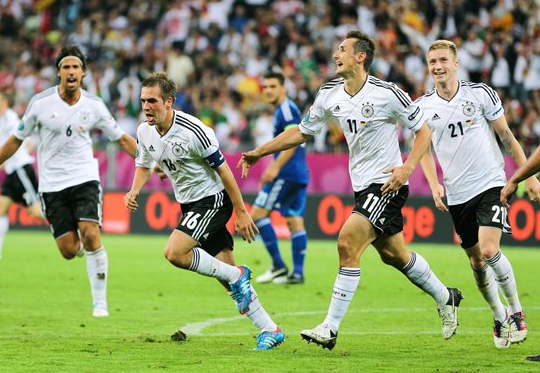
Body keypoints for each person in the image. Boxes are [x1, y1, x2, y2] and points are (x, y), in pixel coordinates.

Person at [239, 30, 461, 350]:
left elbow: (423, 132)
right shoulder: (330, 94)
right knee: (394, 255)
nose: (335, 55)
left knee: (347, 242)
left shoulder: (388, 94)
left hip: (387, 183)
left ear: (360, 57)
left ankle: (329, 328)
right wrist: (259, 151)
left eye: (342, 50)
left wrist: (407, 168)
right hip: (362, 186)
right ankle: (446, 295)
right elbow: (302, 132)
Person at [124, 71, 285, 351]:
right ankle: (270, 329)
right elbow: (144, 163)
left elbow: (224, 171)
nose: (146, 107)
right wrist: (135, 189)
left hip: (212, 200)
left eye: (152, 101)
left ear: (169, 102)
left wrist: (242, 211)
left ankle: (238, 274)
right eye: (143, 101)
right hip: (188, 203)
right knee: (228, 280)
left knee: (175, 253)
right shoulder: (144, 130)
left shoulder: (194, 130)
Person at [0, 45, 138, 318]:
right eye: (66, 67)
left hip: (85, 178)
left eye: (76, 67)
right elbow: (16, 139)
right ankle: (82, 250)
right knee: (69, 250)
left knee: (91, 233)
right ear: (58, 72)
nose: (71, 71)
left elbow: (121, 138)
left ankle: (100, 302)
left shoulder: (95, 105)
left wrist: (150, 163)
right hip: (52, 186)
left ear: (83, 73)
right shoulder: (40, 103)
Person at [419, 39, 540, 349]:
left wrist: (530, 178)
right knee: (476, 262)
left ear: (456, 64)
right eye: (433, 61)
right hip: (457, 195)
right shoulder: (422, 107)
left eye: (443, 59)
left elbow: (507, 137)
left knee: (488, 250)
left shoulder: (481, 93)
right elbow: (421, 151)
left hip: (490, 183)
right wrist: (434, 184)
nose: (438, 66)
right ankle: (498, 315)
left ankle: (515, 311)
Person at [0, 90, 44, 261]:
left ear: (3, 101)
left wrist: (27, 146)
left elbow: (21, 137)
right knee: (0, 207)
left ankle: (72, 224)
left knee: (35, 212)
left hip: (20, 170)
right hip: (13, 171)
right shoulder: (3, 119)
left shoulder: (10, 117)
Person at [252, 71, 309, 285]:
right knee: (294, 220)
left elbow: (293, 139)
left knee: (258, 213)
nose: (267, 91)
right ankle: (297, 273)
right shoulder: (285, 109)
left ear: (283, 88)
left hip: (286, 172)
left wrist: (274, 167)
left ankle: (277, 265)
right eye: (265, 87)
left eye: (272, 86)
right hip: (298, 172)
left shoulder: (286, 110)